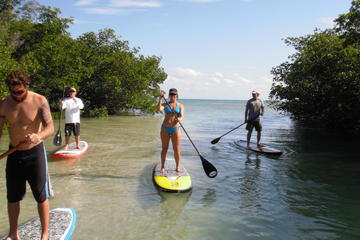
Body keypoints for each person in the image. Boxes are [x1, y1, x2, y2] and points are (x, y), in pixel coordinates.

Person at [0, 70, 54, 240]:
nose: (16, 95)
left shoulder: (39, 100)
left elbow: (50, 127)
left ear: (26, 86)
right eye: (13, 92)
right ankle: (13, 234)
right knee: (12, 197)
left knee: (40, 195)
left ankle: (44, 235)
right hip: (14, 153)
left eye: (20, 91)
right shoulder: (4, 103)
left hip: (35, 154)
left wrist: (38, 135)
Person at [157, 88, 184, 173]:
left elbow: (182, 116)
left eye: (174, 95)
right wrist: (160, 99)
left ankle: (177, 167)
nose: (173, 96)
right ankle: (162, 167)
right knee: (164, 148)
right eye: (171, 95)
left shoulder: (180, 106)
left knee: (176, 149)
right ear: (169, 95)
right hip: (165, 128)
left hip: (176, 129)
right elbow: (159, 109)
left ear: (177, 95)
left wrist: (179, 118)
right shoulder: (165, 104)